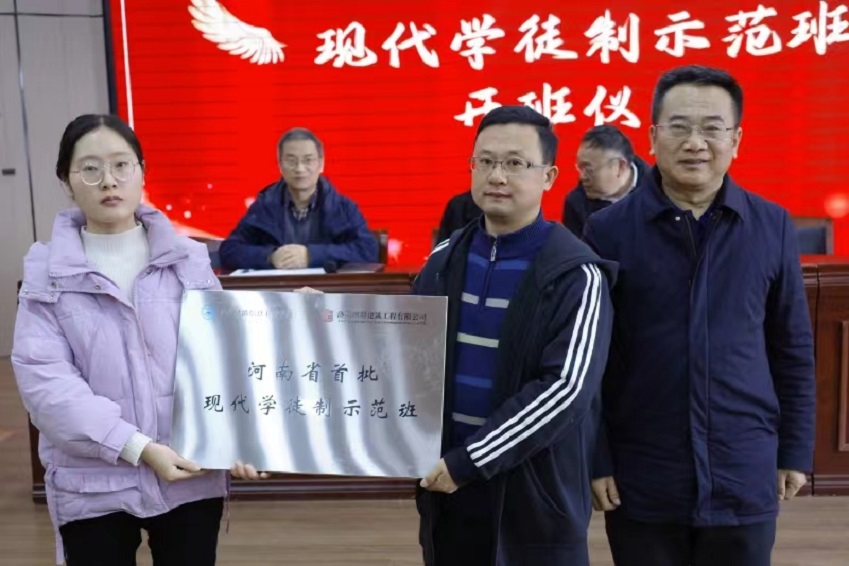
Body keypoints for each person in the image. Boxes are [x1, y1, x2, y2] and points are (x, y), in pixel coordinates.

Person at [584, 65, 816, 566]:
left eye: (712, 128)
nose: (695, 143)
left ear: (736, 140)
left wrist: (794, 450)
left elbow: (792, 348)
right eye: (679, 127)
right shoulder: (607, 232)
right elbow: (591, 361)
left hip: (743, 466)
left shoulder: (771, 225)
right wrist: (596, 457)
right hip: (643, 470)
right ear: (653, 137)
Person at [11, 114, 228, 565]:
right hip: (92, 483)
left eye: (121, 165)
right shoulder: (46, 275)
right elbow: (47, 386)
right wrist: (137, 447)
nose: (108, 180)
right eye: (90, 169)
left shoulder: (189, 260)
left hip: (190, 472)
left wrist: (239, 436)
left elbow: (223, 357)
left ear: (142, 172)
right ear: (67, 181)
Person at [413, 105, 615, 565]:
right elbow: (404, 355)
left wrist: (470, 461)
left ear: (549, 176)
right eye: (484, 161)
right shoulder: (444, 258)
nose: (497, 176)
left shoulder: (577, 273)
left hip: (535, 497)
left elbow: (565, 391)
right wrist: (325, 319)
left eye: (515, 163)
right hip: (448, 491)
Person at [219, 127, 378, 270]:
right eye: (291, 161)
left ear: (321, 164)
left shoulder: (343, 207)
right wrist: (270, 256)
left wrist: (312, 255)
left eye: (308, 160)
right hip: (278, 289)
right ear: (280, 165)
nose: (300, 168)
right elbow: (229, 251)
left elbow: (368, 250)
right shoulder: (264, 206)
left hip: (327, 290)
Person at [562, 125, 650, 238]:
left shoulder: (659, 190)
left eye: (589, 170)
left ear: (620, 166)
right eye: (580, 168)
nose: (582, 177)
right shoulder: (576, 203)